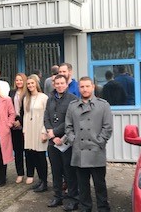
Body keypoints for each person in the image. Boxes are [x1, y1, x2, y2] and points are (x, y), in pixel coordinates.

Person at [65, 76, 113, 211]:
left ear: (93, 87)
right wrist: (73, 140)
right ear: (79, 88)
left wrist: (100, 142)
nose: (84, 89)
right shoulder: (72, 106)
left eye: (87, 86)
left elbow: (108, 127)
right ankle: (85, 208)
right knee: (83, 185)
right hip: (79, 151)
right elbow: (68, 127)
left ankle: (103, 208)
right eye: (82, 86)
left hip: (96, 150)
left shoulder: (103, 105)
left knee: (100, 185)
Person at [44, 74, 79, 210]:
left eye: (62, 83)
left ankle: (72, 198)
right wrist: (51, 135)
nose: (59, 85)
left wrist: (56, 132)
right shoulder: (50, 99)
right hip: (53, 142)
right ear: (54, 84)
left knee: (69, 171)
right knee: (56, 171)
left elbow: (70, 121)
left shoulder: (73, 100)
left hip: (66, 142)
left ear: (66, 84)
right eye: (57, 83)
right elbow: (46, 117)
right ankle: (58, 196)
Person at [21, 74, 49, 191]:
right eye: (28, 84)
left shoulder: (44, 97)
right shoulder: (26, 98)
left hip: (39, 129)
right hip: (29, 129)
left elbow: (47, 116)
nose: (30, 85)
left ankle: (45, 182)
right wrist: (24, 130)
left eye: (32, 83)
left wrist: (44, 131)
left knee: (41, 155)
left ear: (36, 84)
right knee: (32, 155)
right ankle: (40, 180)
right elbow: (25, 115)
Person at [9, 73, 27, 184]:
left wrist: (20, 121)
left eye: (21, 80)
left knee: (29, 152)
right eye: (17, 80)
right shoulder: (11, 93)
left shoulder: (27, 93)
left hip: (25, 125)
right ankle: (20, 173)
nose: (19, 82)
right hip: (14, 126)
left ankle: (30, 174)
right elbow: (9, 108)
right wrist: (14, 121)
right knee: (18, 151)